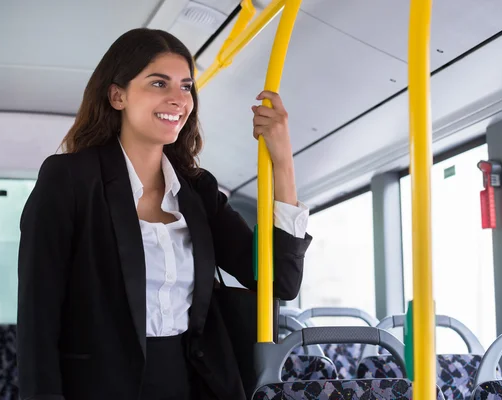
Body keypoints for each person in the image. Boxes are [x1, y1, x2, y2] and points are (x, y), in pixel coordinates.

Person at [16, 28, 312, 400]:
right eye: (159, 83)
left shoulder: (198, 191)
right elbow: (37, 319)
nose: (178, 99)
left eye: (186, 86)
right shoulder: (70, 179)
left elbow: (280, 281)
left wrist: (283, 163)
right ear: (117, 95)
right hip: (97, 387)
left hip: (192, 383)